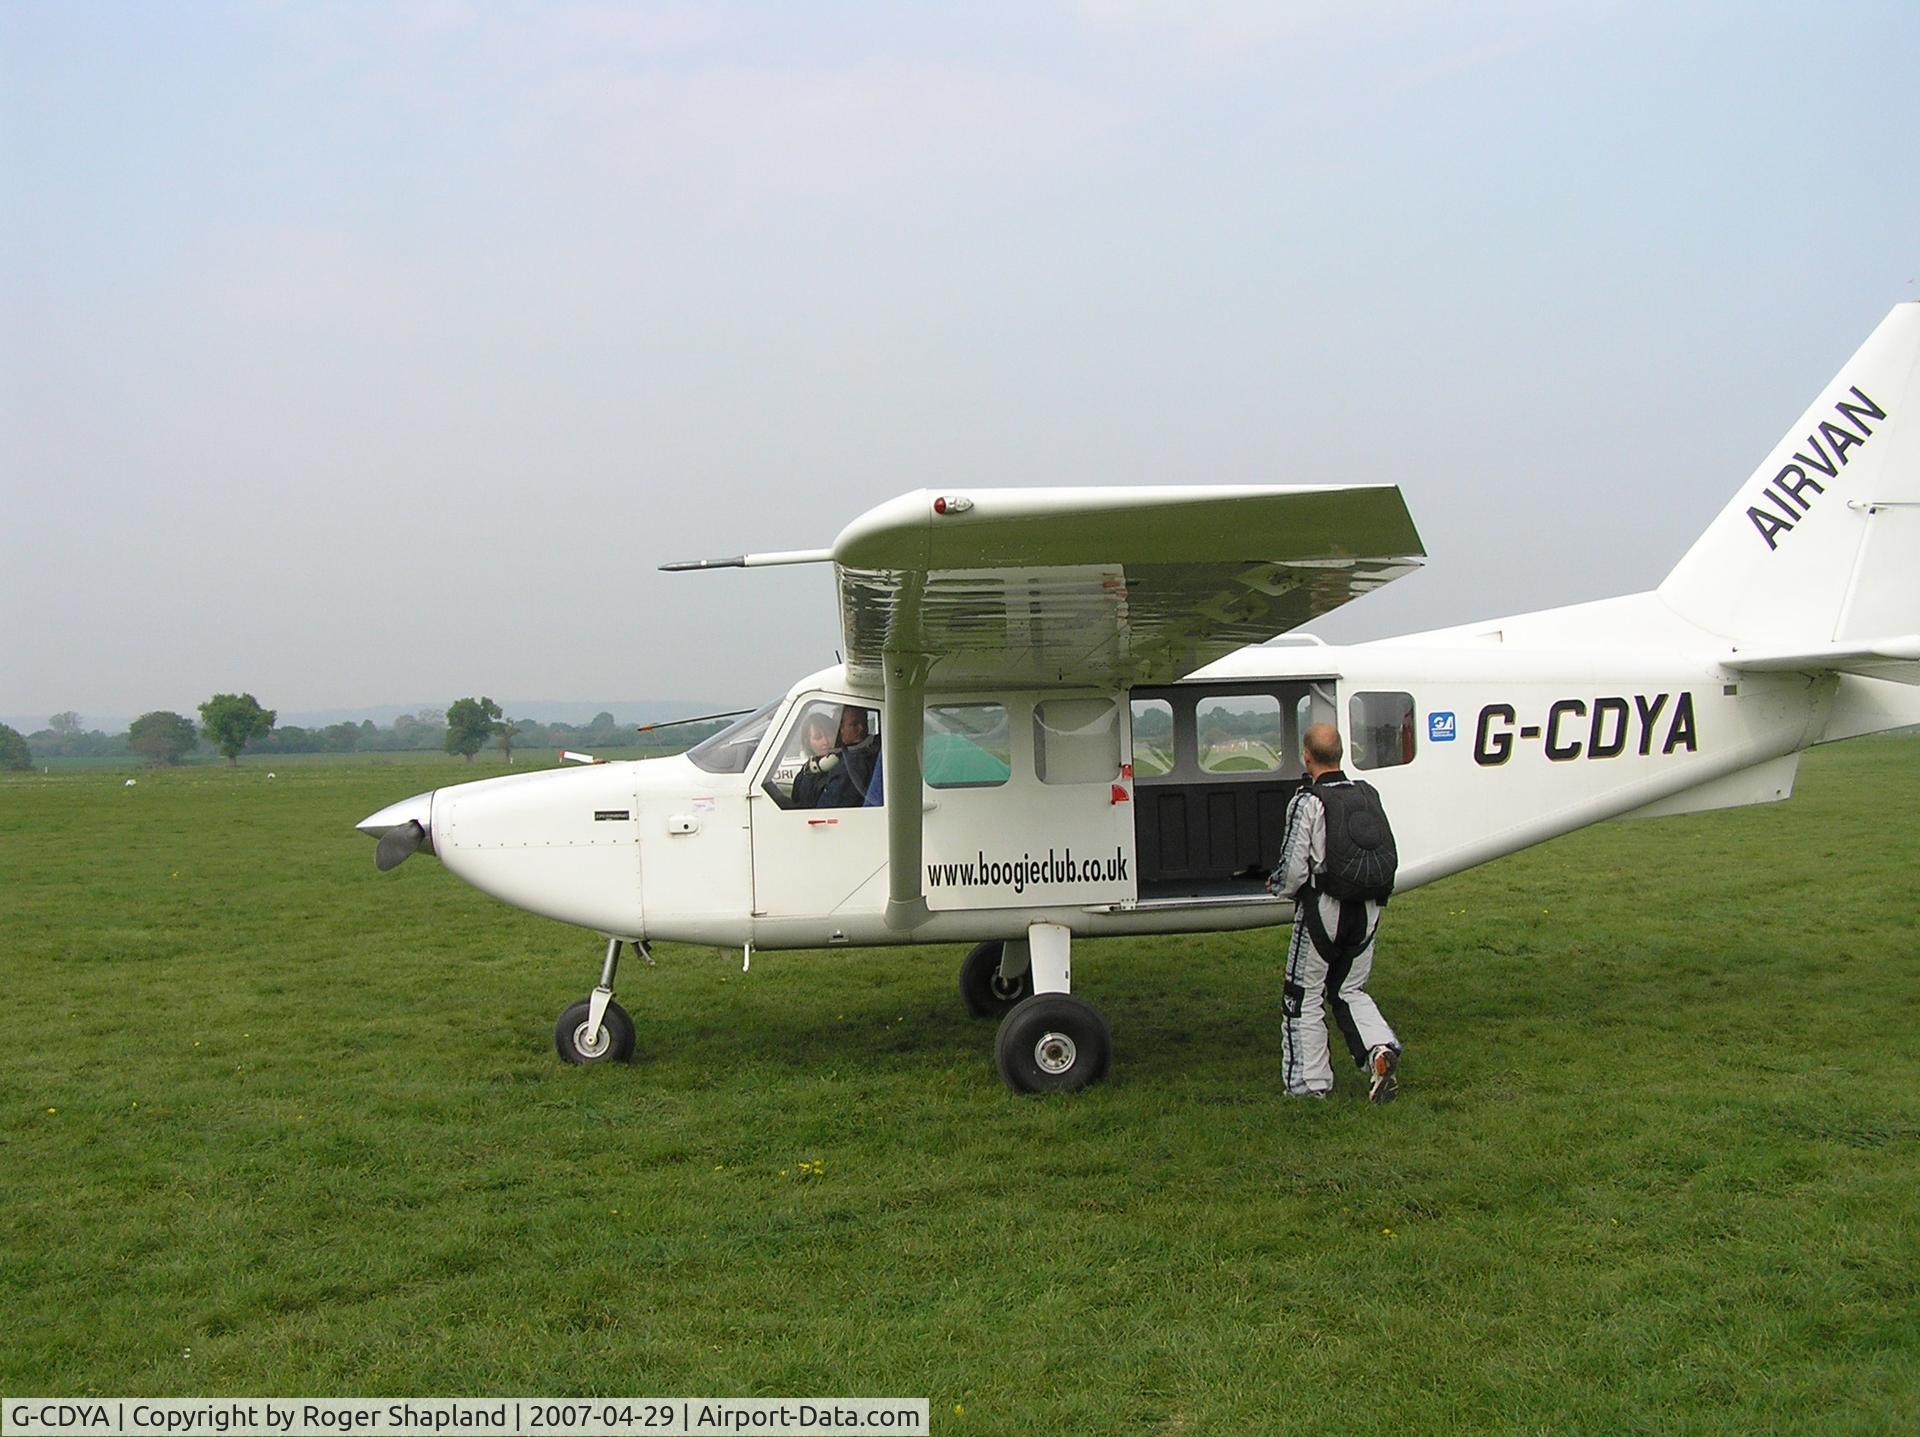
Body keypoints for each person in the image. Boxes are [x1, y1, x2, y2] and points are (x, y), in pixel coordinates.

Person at [1268, 723, 1402, 1102]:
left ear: (1306, 757)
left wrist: (1278, 886)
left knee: (1303, 995)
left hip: (1324, 909)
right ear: (1341, 754)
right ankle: (1379, 1049)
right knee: (1349, 988)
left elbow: (1294, 869)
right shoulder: (1367, 794)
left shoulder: (1307, 801)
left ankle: (1308, 1086)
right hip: (1370, 906)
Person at [789, 712, 839, 808]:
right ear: (808, 742)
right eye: (818, 737)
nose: (825, 742)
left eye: (829, 735)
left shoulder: (845, 769)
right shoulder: (805, 772)